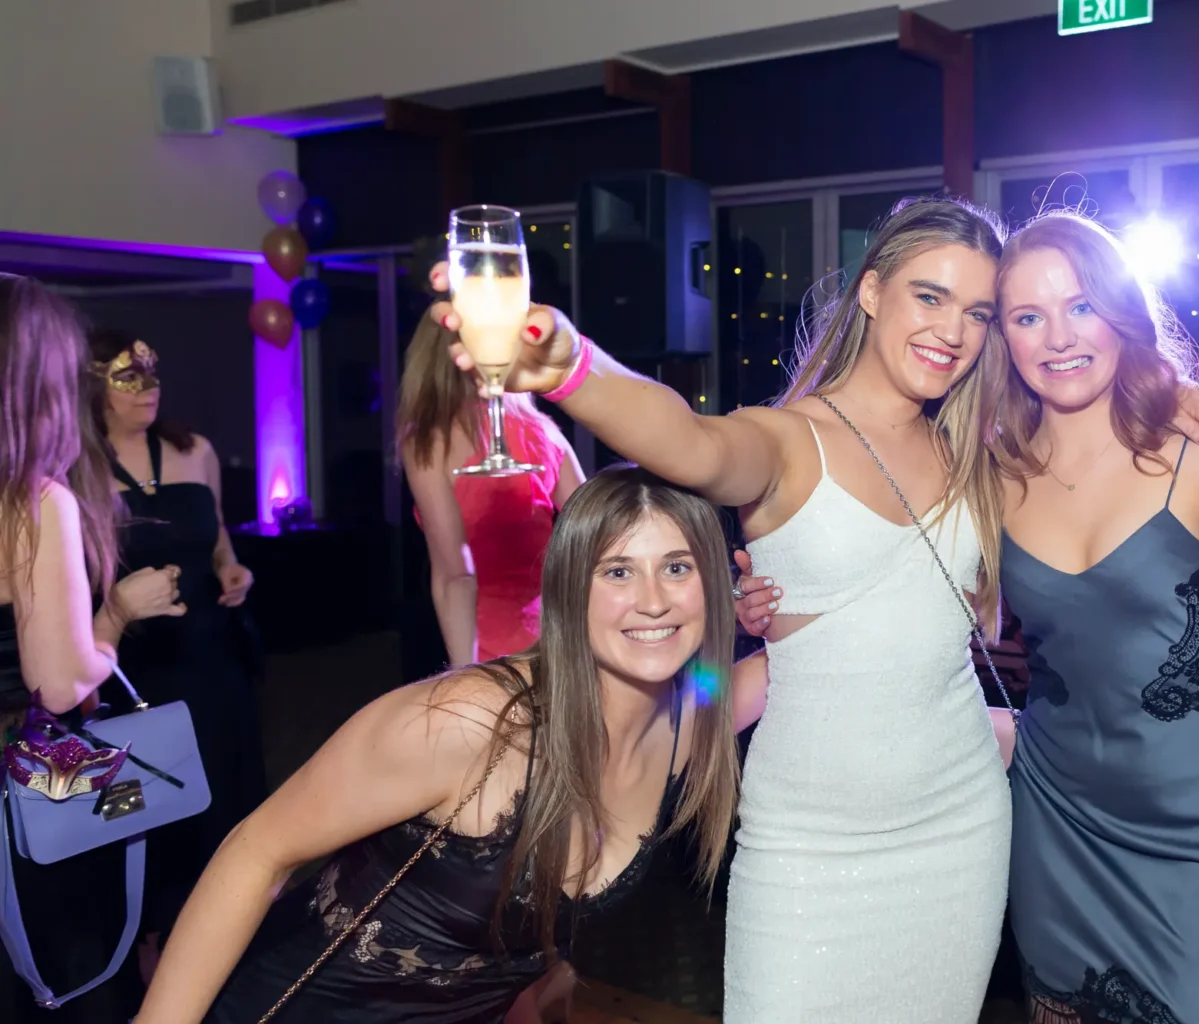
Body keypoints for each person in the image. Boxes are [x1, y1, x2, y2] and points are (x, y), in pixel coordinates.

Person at [427, 196, 1199, 1021]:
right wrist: (571, 364)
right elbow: (688, 440)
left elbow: (1005, 583)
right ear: (870, 292)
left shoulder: (978, 451)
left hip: (959, 832)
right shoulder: (787, 441)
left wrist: (1180, 397)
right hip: (809, 849)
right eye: (929, 297)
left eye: (976, 312)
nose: (952, 332)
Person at [134, 466, 742, 1023]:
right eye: (617, 571)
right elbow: (256, 850)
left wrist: (767, 612)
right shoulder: (470, 722)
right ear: (567, 588)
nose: (654, 599)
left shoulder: (691, 722)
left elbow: (812, 646)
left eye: (678, 567)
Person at [986, 212, 1199, 1021]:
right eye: (1027, 317)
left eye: (1080, 306)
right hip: (1060, 820)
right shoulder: (993, 473)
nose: (1058, 337)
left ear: (1119, 310)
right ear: (1002, 336)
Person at [0, 276, 183, 1023]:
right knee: (70, 977)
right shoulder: (35, 499)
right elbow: (60, 683)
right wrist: (111, 623)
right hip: (33, 785)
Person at [86, 326, 268, 980]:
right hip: (135, 674)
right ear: (92, 387)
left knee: (224, 809)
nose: (147, 389)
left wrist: (232, 569)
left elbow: (218, 537)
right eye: (127, 377)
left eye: (153, 374)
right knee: (146, 822)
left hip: (211, 664)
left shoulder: (194, 451)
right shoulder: (77, 469)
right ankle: (146, 960)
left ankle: (219, 950)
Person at [398, 311, 585, 665]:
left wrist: (463, 676)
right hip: (558, 638)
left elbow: (456, 575)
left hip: (484, 645)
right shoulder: (543, 429)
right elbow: (596, 530)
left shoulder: (428, 441)